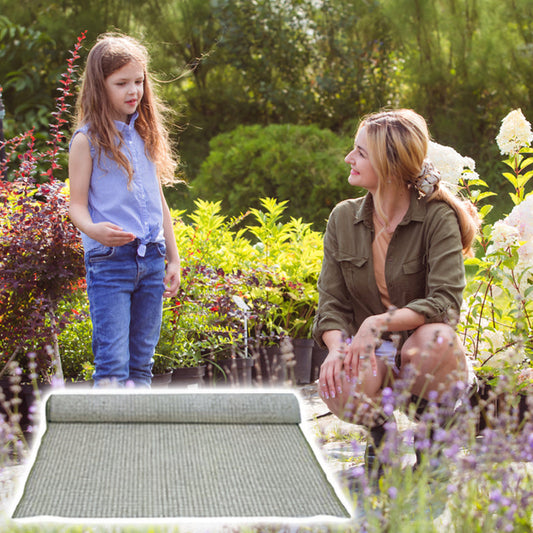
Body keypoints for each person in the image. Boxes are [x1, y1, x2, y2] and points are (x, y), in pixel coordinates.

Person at [313, 109, 480, 471]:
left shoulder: (437, 217)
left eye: (360, 152)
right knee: (338, 383)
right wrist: (337, 348)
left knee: (434, 340)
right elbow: (332, 303)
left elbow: (446, 303)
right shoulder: (343, 218)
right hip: (376, 350)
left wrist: (377, 322)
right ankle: (381, 436)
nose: (348, 158)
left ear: (389, 165)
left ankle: (435, 431)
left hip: (421, 344)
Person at [69, 34, 181, 387]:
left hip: (151, 260)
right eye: (121, 83)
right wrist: (94, 230)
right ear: (99, 87)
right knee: (113, 366)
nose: (133, 90)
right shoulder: (86, 141)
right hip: (110, 262)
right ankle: (109, 442)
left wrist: (173, 258)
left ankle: (139, 442)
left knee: (142, 366)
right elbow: (76, 206)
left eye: (138, 81)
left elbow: (158, 199)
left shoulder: (146, 134)